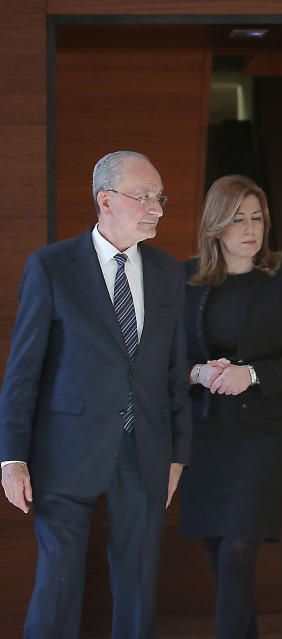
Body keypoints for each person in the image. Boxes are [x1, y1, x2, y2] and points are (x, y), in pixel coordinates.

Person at [0, 150, 190, 638]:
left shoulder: (170, 274)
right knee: (58, 583)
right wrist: (11, 458)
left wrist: (178, 455)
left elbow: (174, 371)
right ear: (105, 200)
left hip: (145, 448)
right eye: (144, 197)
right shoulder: (52, 267)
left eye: (160, 198)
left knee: (138, 585)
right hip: (64, 451)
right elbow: (24, 371)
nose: (157, 209)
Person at [180, 175, 282, 639]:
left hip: (265, 433)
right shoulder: (186, 282)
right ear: (215, 227)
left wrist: (253, 375)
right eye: (237, 219)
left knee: (239, 551)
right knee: (219, 554)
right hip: (205, 436)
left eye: (257, 218)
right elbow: (167, 359)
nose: (250, 229)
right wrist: (199, 372)